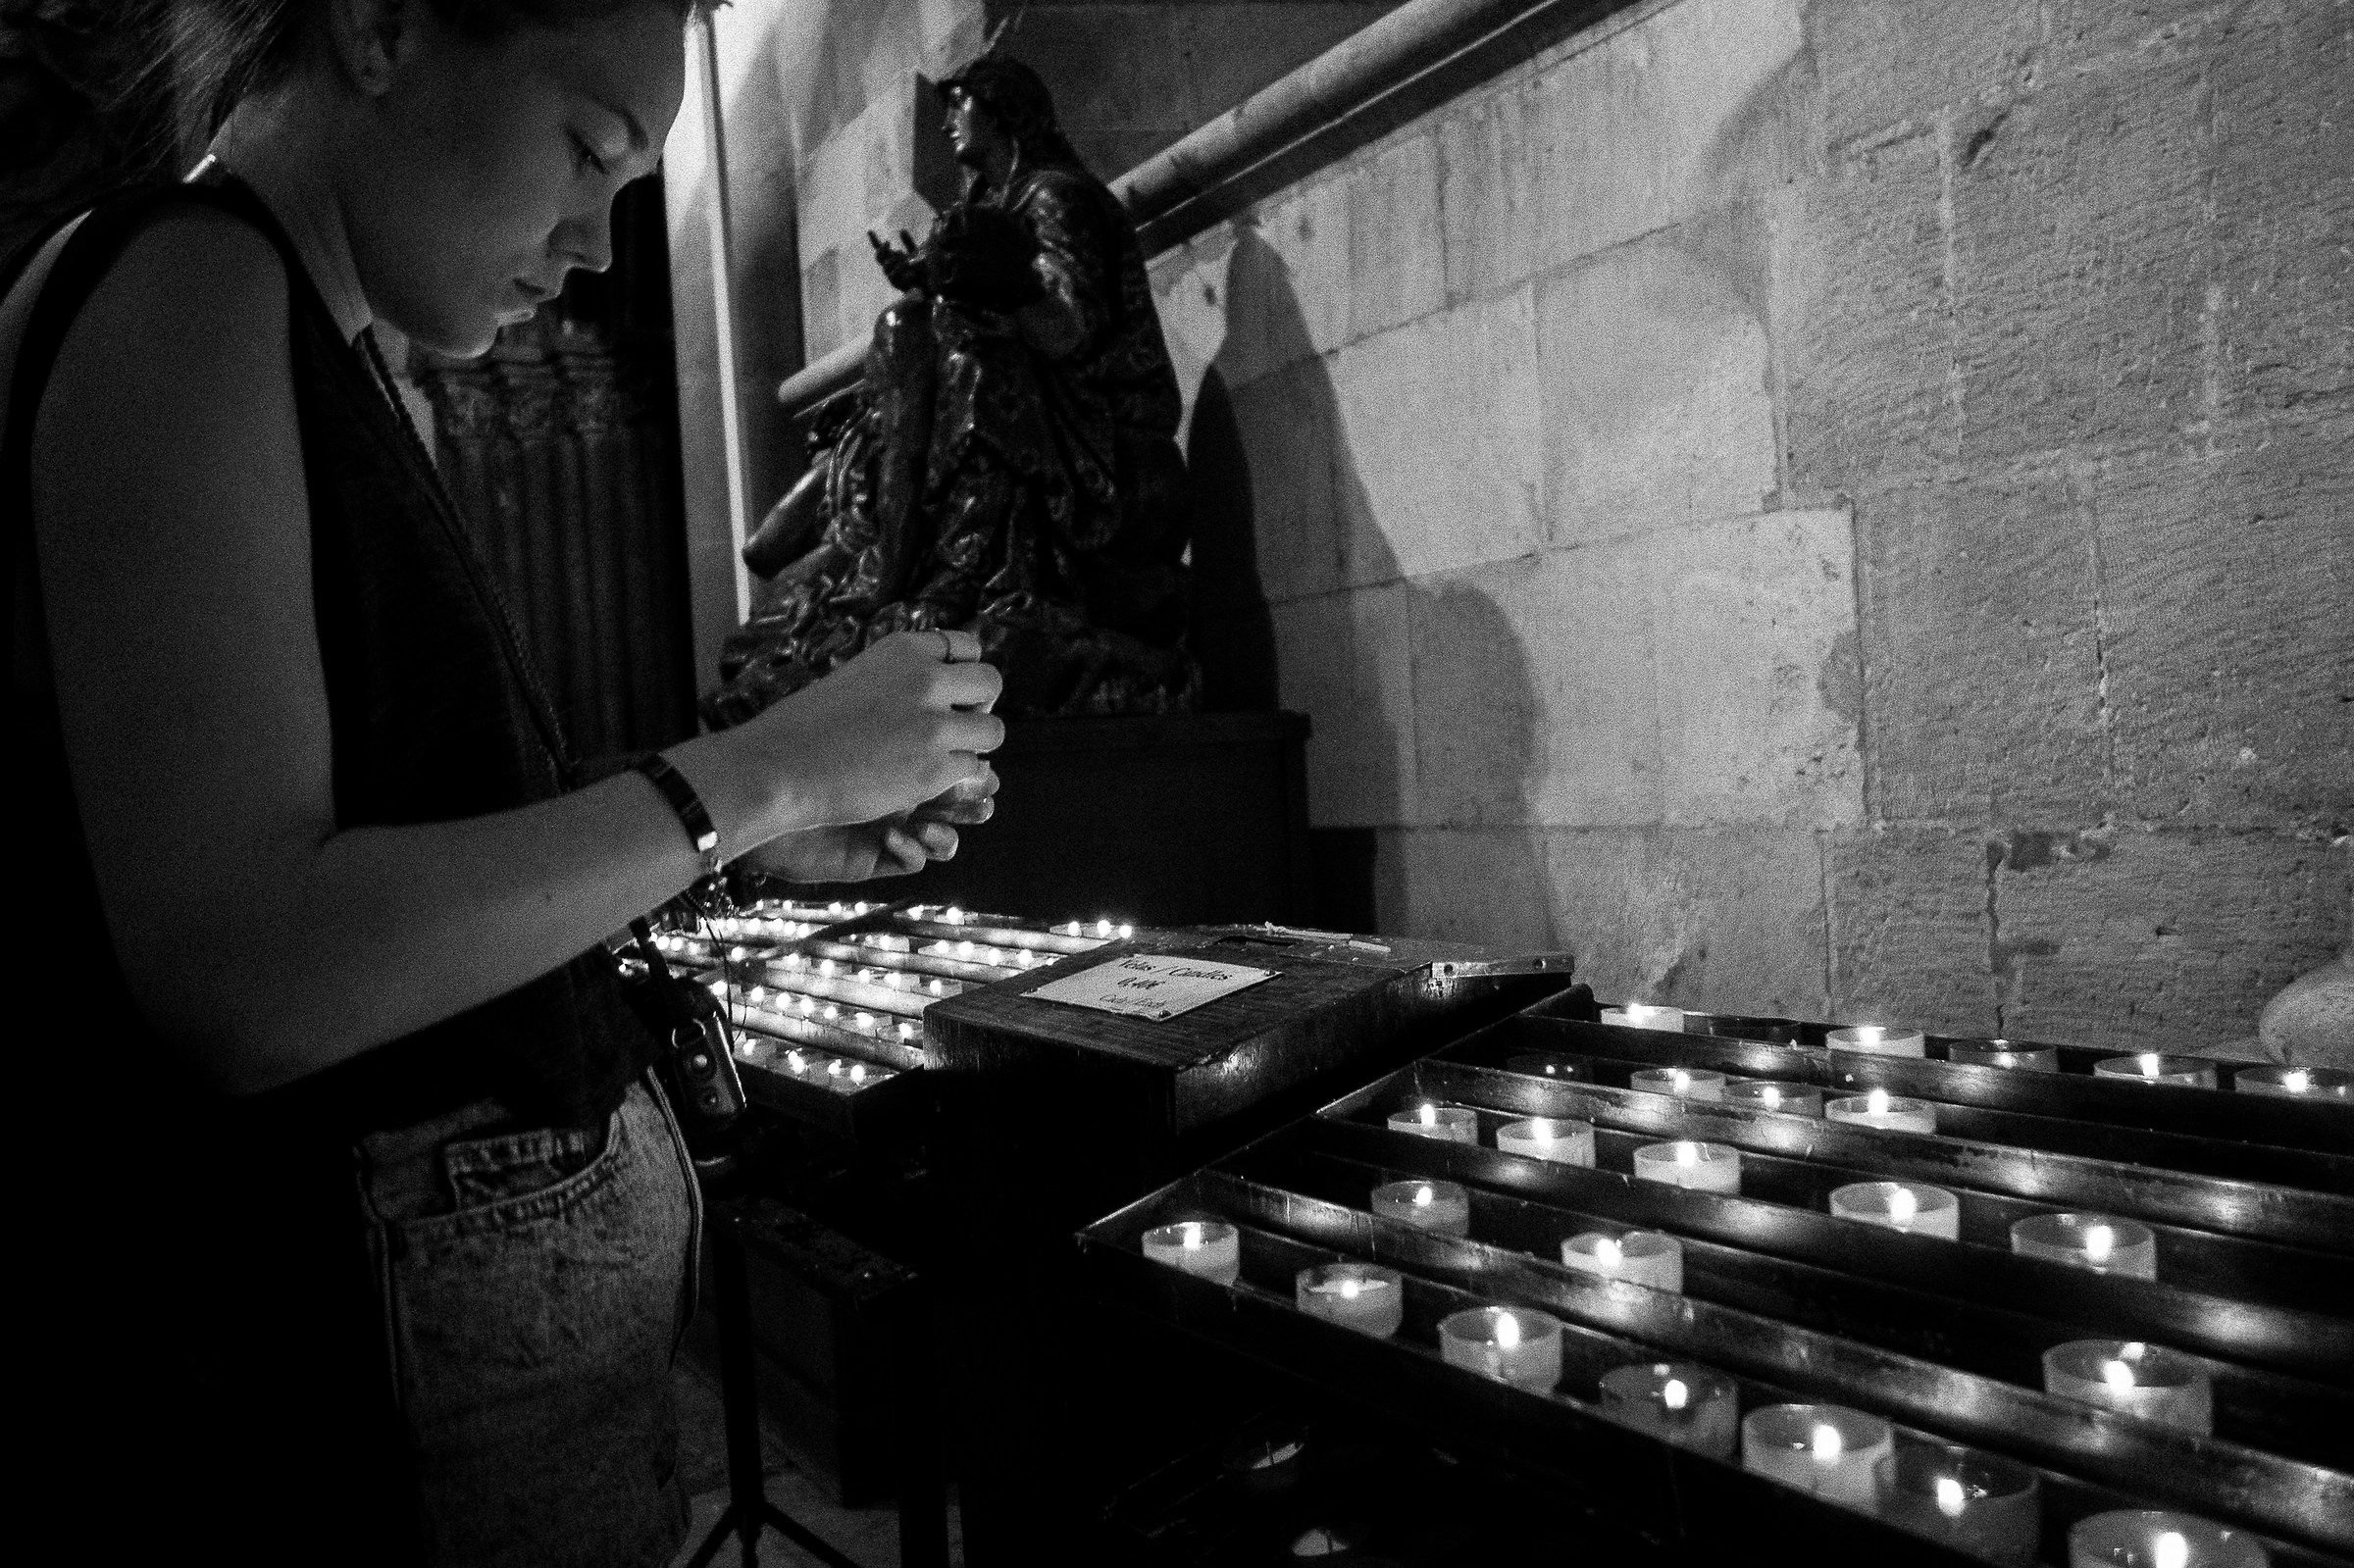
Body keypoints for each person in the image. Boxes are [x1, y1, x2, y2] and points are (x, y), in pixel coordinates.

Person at [2, 0, 1002, 1560]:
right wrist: (752, 774)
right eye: (591, 147)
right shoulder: (189, 287)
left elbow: (393, 846)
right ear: (387, 28)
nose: (600, 240)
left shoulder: (274, 318)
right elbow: (244, 960)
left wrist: (753, 828)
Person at [708, 57, 1195, 727]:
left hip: (1093, 425)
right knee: (905, 332)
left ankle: (953, 563)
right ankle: (884, 551)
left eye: (958, 105)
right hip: (1026, 399)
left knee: (966, 356)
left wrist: (995, 281)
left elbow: (1071, 327)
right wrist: (930, 276)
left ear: (1001, 113)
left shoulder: (1056, 197)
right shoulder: (991, 206)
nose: (946, 121)